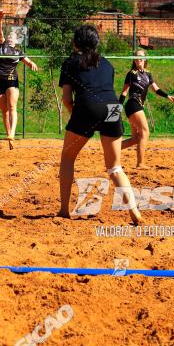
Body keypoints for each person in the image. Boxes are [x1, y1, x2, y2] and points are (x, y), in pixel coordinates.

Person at [58, 24, 141, 224]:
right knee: (115, 167)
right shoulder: (107, 64)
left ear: (76, 43)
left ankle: (63, 210)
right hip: (112, 107)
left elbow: (67, 100)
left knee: (67, 158)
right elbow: (105, 90)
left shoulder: (70, 62)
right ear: (96, 43)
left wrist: (78, 117)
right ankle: (135, 211)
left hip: (87, 106)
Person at [119, 49, 174, 168]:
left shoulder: (148, 74)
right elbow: (124, 93)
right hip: (132, 104)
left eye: (141, 56)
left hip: (139, 106)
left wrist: (167, 95)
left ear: (145, 59)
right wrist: (116, 110)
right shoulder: (131, 74)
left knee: (136, 138)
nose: (138, 59)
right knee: (145, 132)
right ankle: (140, 164)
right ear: (134, 60)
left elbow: (156, 89)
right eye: (136, 57)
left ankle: (112, 148)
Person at [0, 10, 37, 148]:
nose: (11, 36)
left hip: (12, 80)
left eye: (13, 36)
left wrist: (32, 64)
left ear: (17, 40)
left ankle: (12, 133)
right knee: (4, 111)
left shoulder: (18, 52)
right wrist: (0, 18)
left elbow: (28, 61)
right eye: (9, 35)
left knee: (12, 107)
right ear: (6, 38)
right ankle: (10, 138)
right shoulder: (1, 45)